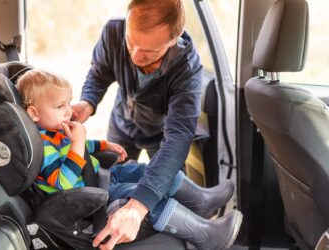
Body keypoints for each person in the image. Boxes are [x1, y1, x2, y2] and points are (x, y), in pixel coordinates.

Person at [71, 0, 240, 249]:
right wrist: (88, 102)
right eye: (131, 42)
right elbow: (100, 72)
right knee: (119, 177)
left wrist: (138, 206)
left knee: (161, 181)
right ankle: (201, 200)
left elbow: (178, 136)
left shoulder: (187, 67)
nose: (136, 55)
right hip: (122, 124)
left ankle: (199, 211)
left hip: (162, 137)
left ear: (174, 39)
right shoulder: (113, 32)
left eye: (149, 51)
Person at [17, 69, 242, 250]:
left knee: (146, 170)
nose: (68, 111)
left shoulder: (56, 131)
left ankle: (200, 200)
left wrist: (104, 145)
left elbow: (81, 146)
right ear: (34, 113)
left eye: (69, 103)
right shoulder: (43, 146)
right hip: (89, 200)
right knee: (141, 193)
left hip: (98, 178)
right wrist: (77, 142)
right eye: (59, 107)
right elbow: (64, 182)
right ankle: (206, 235)